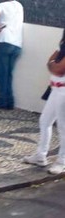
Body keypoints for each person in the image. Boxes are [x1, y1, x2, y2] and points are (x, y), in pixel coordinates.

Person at [23, 29, 65, 174]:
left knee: (63, 127)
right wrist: (52, 65)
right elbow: (50, 63)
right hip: (55, 89)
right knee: (45, 121)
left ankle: (62, 161)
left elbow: (58, 69)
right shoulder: (62, 44)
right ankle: (41, 155)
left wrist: (52, 64)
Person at [0, 0, 24, 109]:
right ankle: (10, 101)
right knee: (9, 74)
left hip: (4, 41)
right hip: (17, 44)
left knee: (1, 74)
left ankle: (2, 101)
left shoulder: (1, 5)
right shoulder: (19, 5)